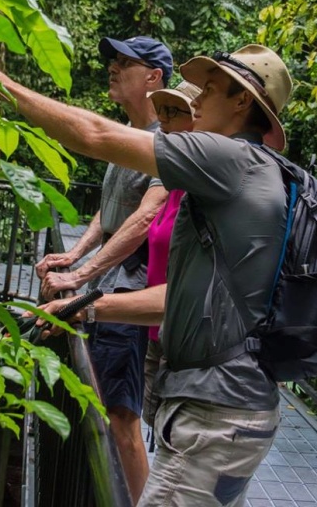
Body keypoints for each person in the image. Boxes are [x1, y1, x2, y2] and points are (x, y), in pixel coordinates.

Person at [0, 43, 293, 507]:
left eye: (208, 89)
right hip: (223, 412)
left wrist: (0, 83)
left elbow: (92, 134)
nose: (196, 99)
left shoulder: (230, 159)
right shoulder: (251, 171)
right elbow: (178, 298)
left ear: (242, 101)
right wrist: (85, 308)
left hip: (217, 415)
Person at [35, 35, 173, 503]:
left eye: (125, 62)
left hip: (126, 289)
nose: (113, 68)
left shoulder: (165, 143)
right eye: (114, 61)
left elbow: (145, 217)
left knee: (120, 415)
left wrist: (77, 278)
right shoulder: (130, 135)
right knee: (100, 401)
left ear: (154, 77)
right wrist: (76, 257)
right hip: (104, 284)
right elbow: (110, 211)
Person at [142, 79, 200, 429]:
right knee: (155, 426)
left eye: (174, 111)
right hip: (155, 333)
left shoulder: (203, 188)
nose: (162, 119)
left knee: (173, 440)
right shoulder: (173, 182)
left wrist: (90, 308)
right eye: (160, 110)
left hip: (184, 343)